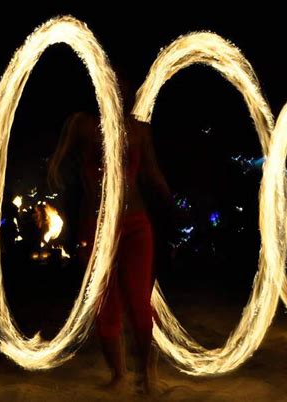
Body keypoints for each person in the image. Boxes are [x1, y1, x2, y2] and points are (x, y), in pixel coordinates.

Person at [47, 73, 173, 392]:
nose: (120, 92)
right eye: (113, 85)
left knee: (138, 301)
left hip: (135, 223)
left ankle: (147, 372)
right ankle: (118, 373)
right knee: (105, 302)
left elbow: (152, 172)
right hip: (97, 225)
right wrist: (55, 176)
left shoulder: (140, 130)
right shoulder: (81, 124)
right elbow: (58, 161)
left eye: (124, 87)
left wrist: (171, 200)